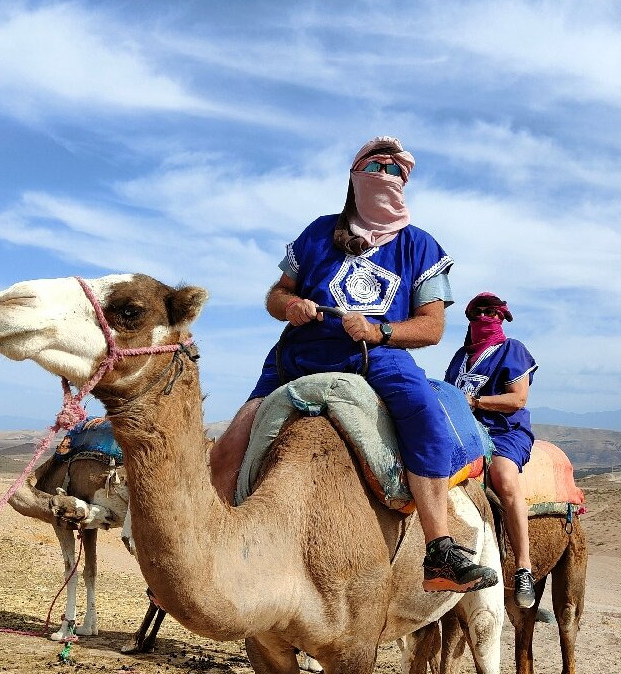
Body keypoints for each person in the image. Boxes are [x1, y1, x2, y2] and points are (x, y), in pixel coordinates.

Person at [211, 135, 498, 594]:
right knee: (228, 446)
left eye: (395, 169)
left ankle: (440, 548)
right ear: (355, 174)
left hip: (378, 356)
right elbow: (274, 295)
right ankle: (213, 551)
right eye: (376, 165)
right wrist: (290, 305)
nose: (385, 174)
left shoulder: (419, 246)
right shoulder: (318, 232)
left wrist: (380, 331)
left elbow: (431, 328)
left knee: (425, 414)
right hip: (299, 354)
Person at [444, 293, 538, 608]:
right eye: (478, 313)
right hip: (465, 432)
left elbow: (517, 400)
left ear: (502, 318)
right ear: (469, 320)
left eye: (492, 313)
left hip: (504, 431)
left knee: (503, 475)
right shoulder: (460, 357)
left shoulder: (513, 350)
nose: (485, 317)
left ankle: (523, 566)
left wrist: (477, 402)